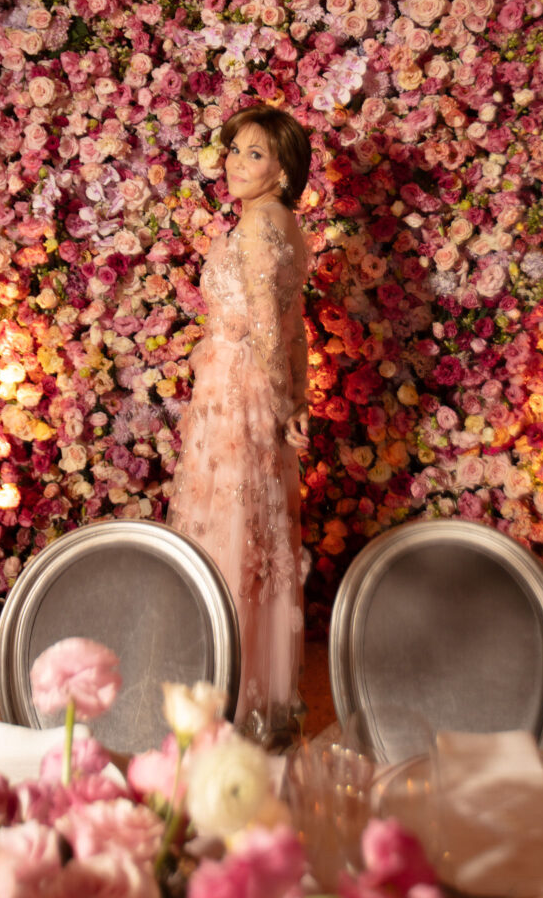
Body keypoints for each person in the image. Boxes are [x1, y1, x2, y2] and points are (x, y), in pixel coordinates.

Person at [168, 104, 312, 748]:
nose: (235, 163)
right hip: (253, 390)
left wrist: (281, 407)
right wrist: (296, 400)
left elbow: (267, 330)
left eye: (254, 154)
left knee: (231, 526)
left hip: (236, 393)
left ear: (282, 170)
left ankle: (225, 696)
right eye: (233, 150)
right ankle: (256, 694)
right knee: (257, 529)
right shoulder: (287, 224)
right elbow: (294, 324)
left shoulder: (257, 228)